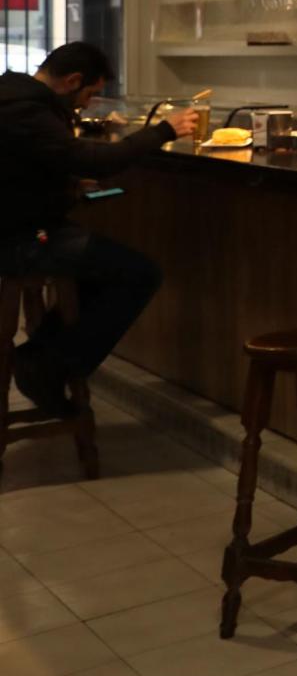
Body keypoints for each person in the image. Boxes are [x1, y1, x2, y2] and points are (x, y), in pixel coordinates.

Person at [0, 42, 200, 416]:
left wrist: (68, 187)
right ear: (73, 80)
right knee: (140, 273)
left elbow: (22, 169)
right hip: (21, 239)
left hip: (21, 229)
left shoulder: (14, 97)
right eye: (89, 94)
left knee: (97, 270)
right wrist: (163, 131)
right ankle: (47, 364)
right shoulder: (27, 109)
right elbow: (94, 160)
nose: (87, 104)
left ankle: (41, 356)